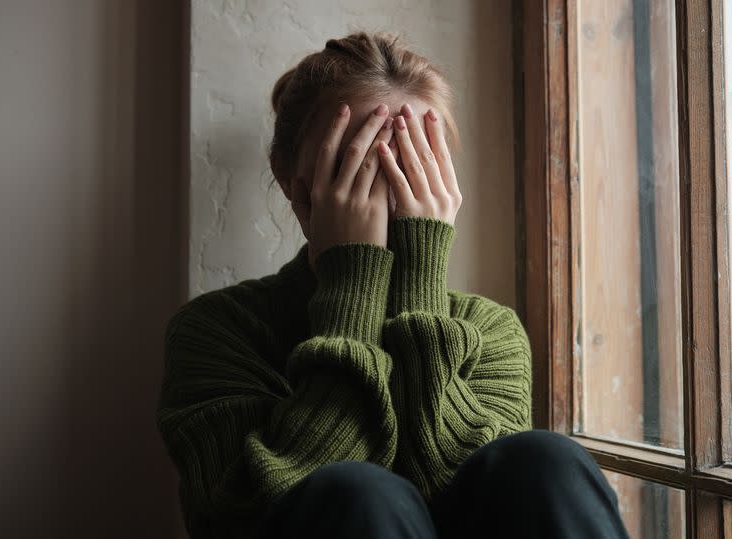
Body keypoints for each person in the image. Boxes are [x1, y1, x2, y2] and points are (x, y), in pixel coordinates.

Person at [155, 31, 630, 539]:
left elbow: (465, 491)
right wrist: (352, 290)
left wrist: (419, 282)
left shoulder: (490, 332)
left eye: (413, 163)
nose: (389, 190)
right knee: (355, 493)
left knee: (546, 459)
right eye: (356, 166)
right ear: (296, 185)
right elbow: (235, 516)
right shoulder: (218, 331)